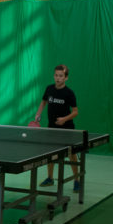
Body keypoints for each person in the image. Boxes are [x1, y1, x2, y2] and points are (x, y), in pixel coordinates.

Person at [34, 64, 80, 192]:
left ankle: (77, 180)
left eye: (61, 76)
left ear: (66, 78)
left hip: (67, 129)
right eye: (56, 75)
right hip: (52, 128)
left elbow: (75, 112)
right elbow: (43, 102)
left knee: (72, 154)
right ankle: (50, 178)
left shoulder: (69, 93)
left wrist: (64, 119)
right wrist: (38, 114)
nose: (58, 78)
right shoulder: (49, 89)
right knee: (51, 154)